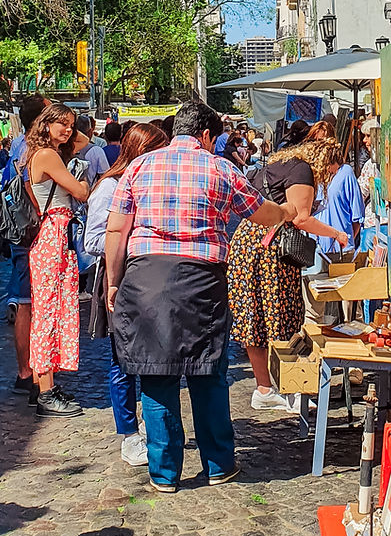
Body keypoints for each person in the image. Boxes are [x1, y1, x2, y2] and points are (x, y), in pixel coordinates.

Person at [105, 100, 290, 493]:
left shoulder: (139, 167)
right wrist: (287, 212)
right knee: (208, 373)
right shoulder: (221, 168)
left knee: (157, 376)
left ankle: (164, 473)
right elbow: (261, 213)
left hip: (146, 277)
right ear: (206, 135)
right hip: (201, 280)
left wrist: (113, 282)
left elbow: (116, 232)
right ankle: (219, 464)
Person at [228, 136, 349, 412]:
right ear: (323, 161)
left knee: (254, 317)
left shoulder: (279, 163)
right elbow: (300, 217)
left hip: (247, 240)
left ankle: (264, 388)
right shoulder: (302, 170)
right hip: (272, 248)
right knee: (285, 317)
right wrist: (336, 234)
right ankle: (294, 391)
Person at [84, 121, 167, 466]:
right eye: (159, 152)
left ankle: (151, 424)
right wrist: (129, 241)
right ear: (142, 153)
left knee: (155, 356)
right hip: (119, 279)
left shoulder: (155, 184)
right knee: (122, 361)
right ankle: (128, 435)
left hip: (151, 280)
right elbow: (90, 242)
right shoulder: (109, 187)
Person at [27, 105, 89, 417]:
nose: (68, 130)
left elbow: (81, 140)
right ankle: (45, 392)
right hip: (52, 235)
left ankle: (45, 383)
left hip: (55, 235)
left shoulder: (43, 151)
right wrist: (85, 184)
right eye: (61, 124)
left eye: (70, 124)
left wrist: (61, 129)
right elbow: (79, 192)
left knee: (53, 309)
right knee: (48, 314)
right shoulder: (48, 156)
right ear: (45, 123)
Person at [3, 94, 50, 396]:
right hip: (31, 231)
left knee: (28, 301)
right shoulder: (32, 148)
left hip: (24, 231)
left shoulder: (21, 145)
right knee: (28, 303)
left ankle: (32, 371)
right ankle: (28, 372)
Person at [75, 115, 109, 190]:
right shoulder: (96, 150)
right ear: (90, 132)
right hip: (89, 194)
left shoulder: (63, 148)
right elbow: (105, 176)